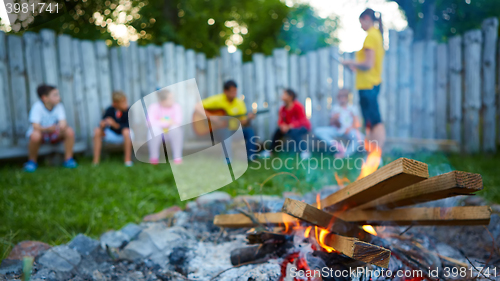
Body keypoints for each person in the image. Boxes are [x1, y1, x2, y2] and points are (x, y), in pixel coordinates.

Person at [342, 8, 385, 153]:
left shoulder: (371, 36)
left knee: (375, 122)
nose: (361, 26)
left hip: (368, 85)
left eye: (361, 22)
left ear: (366, 18)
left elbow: (368, 64)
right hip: (370, 84)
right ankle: (373, 155)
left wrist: (350, 62)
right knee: (371, 122)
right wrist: (354, 66)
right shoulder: (376, 35)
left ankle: (376, 156)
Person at [194, 80, 257, 161]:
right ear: (225, 91)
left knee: (250, 131)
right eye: (232, 91)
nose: (234, 94)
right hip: (218, 132)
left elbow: (243, 122)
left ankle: (251, 157)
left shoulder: (239, 103)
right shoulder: (217, 99)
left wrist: (248, 118)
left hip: (234, 131)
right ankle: (227, 158)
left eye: (235, 91)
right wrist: (211, 117)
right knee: (225, 131)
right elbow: (197, 106)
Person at [24, 85, 77, 172]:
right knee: (35, 135)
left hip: (54, 134)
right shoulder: (37, 107)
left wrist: (63, 126)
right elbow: (35, 126)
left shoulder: (59, 106)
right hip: (41, 135)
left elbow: (63, 121)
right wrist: (48, 129)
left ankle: (69, 160)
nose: (58, 97)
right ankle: (32, 162)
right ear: (45, 98)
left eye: (58, 95)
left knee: (69, 131)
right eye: (55, 95)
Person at [262, 89, 311, 159]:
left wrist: (290, 126)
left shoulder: (298, 106)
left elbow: (302, 120)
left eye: (284, 94)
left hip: (303, 127)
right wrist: (282, 126)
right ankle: (270, 151)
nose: (282, 96)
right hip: (288, 128)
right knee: (278, 131)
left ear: (290, 97)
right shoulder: (283, 109)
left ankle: (305, 151)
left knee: (294, 132)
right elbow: (280, 121)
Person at [314, 89, 364, 158]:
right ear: (338, 97)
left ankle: (346, 154)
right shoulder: (335, 108)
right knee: (318, 131)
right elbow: (331, 123)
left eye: (344, 96)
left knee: (361, 138)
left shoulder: (352, 108)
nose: (342, 98)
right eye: (340, 96)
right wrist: (335, 120)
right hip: (336, 130)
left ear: (347, 97)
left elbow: (357, 124)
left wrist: (349, 129)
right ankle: (338, 147)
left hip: (349, 130)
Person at [92, 91, 133, 166]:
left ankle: (127, 160)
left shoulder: (128, 111)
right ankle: (95, 162)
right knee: (97, 131)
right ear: (115, 104)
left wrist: (115, 124)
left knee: (126, 131)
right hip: (112, 135)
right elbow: (103, 123)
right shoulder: (109, 110)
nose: (125, 104)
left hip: (125, 135)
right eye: (123, 102)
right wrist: (102, 125)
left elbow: (128, 126)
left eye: (125, 102)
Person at [147, 88, 183, 165]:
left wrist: (160, 122)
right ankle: (154, 157)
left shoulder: (176, 106)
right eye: (170, 98)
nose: (173, 99)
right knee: (154, 130)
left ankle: (177, 157)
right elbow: (149, 122)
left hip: (171, 133)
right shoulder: (153, 107)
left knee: (175, 128)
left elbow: (178, 122)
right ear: (163, 100)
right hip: (158, 133)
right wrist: (167, 122)